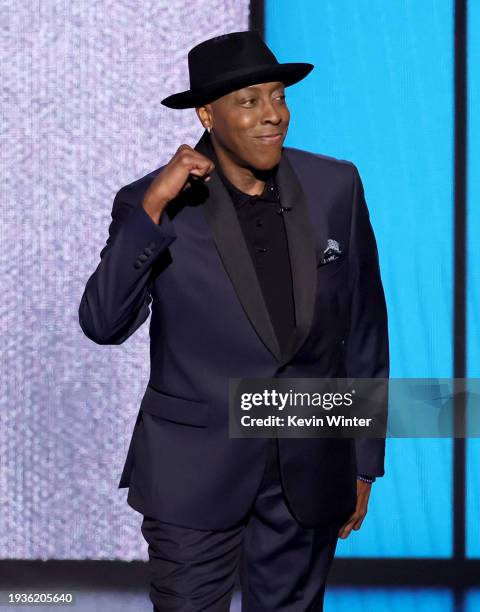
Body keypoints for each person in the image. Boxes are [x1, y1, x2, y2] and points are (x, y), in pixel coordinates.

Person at [78, 30, 389, 612]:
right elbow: (103, 321)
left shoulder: (335, 186)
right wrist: (152, 210)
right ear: (206, 114)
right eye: (249, 102)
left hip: (309, 464)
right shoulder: (151, 202)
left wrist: (364, 460)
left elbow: (364, 330)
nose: (273, 115)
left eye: (278, 96)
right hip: (193, 474)